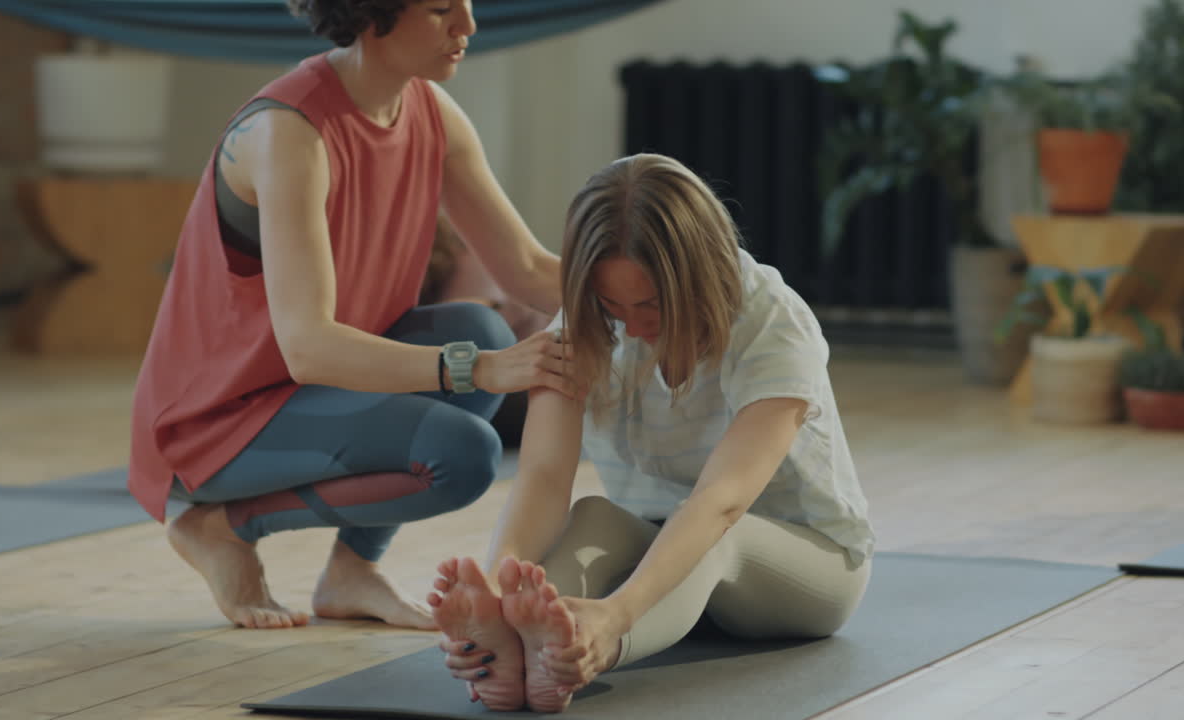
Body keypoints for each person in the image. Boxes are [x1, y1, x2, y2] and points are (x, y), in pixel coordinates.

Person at [128, 0, 577, 631]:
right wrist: (479, 371)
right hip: (214, 420)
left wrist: (674, 305)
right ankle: (218, 524)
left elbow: (528, 269)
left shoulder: (433, 115)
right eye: (443, 9)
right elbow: (308, 346)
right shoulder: (287, 132)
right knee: (464, 452)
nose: (467, 27)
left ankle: (351, 570)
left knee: (480, 329)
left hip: (308, 391)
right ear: (372, 14)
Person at [426, 153, 876, 712]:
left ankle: (590, 647)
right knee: (594, 516)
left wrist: (614, 619)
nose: (630, 327)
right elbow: (542, 476)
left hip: (808, 570)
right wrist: (495, 588)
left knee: (716, 536)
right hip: (659, 553)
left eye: (651, 305)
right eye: (612, 304)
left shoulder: (774, 323)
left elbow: (721, 502)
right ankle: (517, 647)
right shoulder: (586, 320)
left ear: (700, 276)